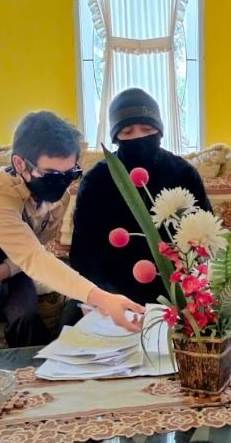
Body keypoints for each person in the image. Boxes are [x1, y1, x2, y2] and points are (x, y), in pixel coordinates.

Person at [0, 111, 144, 347]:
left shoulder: (55, 194)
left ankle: (39, 369)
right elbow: (34, 257)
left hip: (11, 263)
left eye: (70, 173)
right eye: (51, 174)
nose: (62, 183)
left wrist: (3, 270)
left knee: (27, 320)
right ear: (19, 164)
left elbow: (34, 249)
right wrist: (102, 299)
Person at [63, 88, 211, 326]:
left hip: (173, 288)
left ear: (159, 131)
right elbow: (85, 252)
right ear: (116, 137)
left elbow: (205, 237)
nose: (138, 137)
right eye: (127, 131)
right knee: (71, 323)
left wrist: (190, 288)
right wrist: (98, 298)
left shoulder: (183, 173)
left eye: (147, 129)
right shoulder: (97, 180)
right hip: (111, 289)